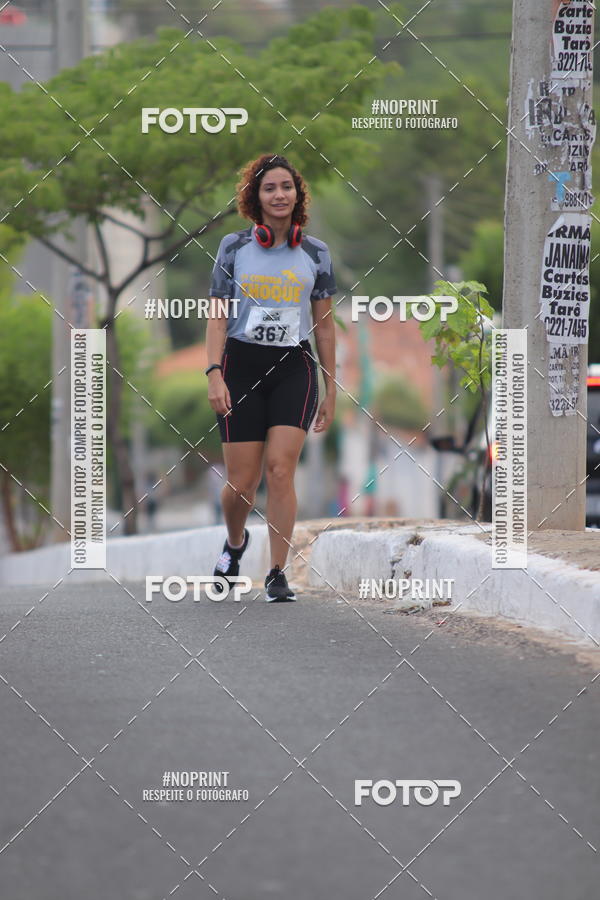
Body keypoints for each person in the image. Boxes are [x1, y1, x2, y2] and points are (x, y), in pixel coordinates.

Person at [205, 153, 337, 601]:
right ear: (255, 197)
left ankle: (278, 571)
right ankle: (235, 543)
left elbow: (325, 324)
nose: (279, 195)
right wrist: (214, 374)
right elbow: (217, 319)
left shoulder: (315, 253)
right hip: (240, 367)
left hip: (293, 367)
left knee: (281, 470)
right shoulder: (234, 248)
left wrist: (331, 386)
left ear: (297, 194)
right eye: (269, 188)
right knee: (241, 483)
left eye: (286, 187)